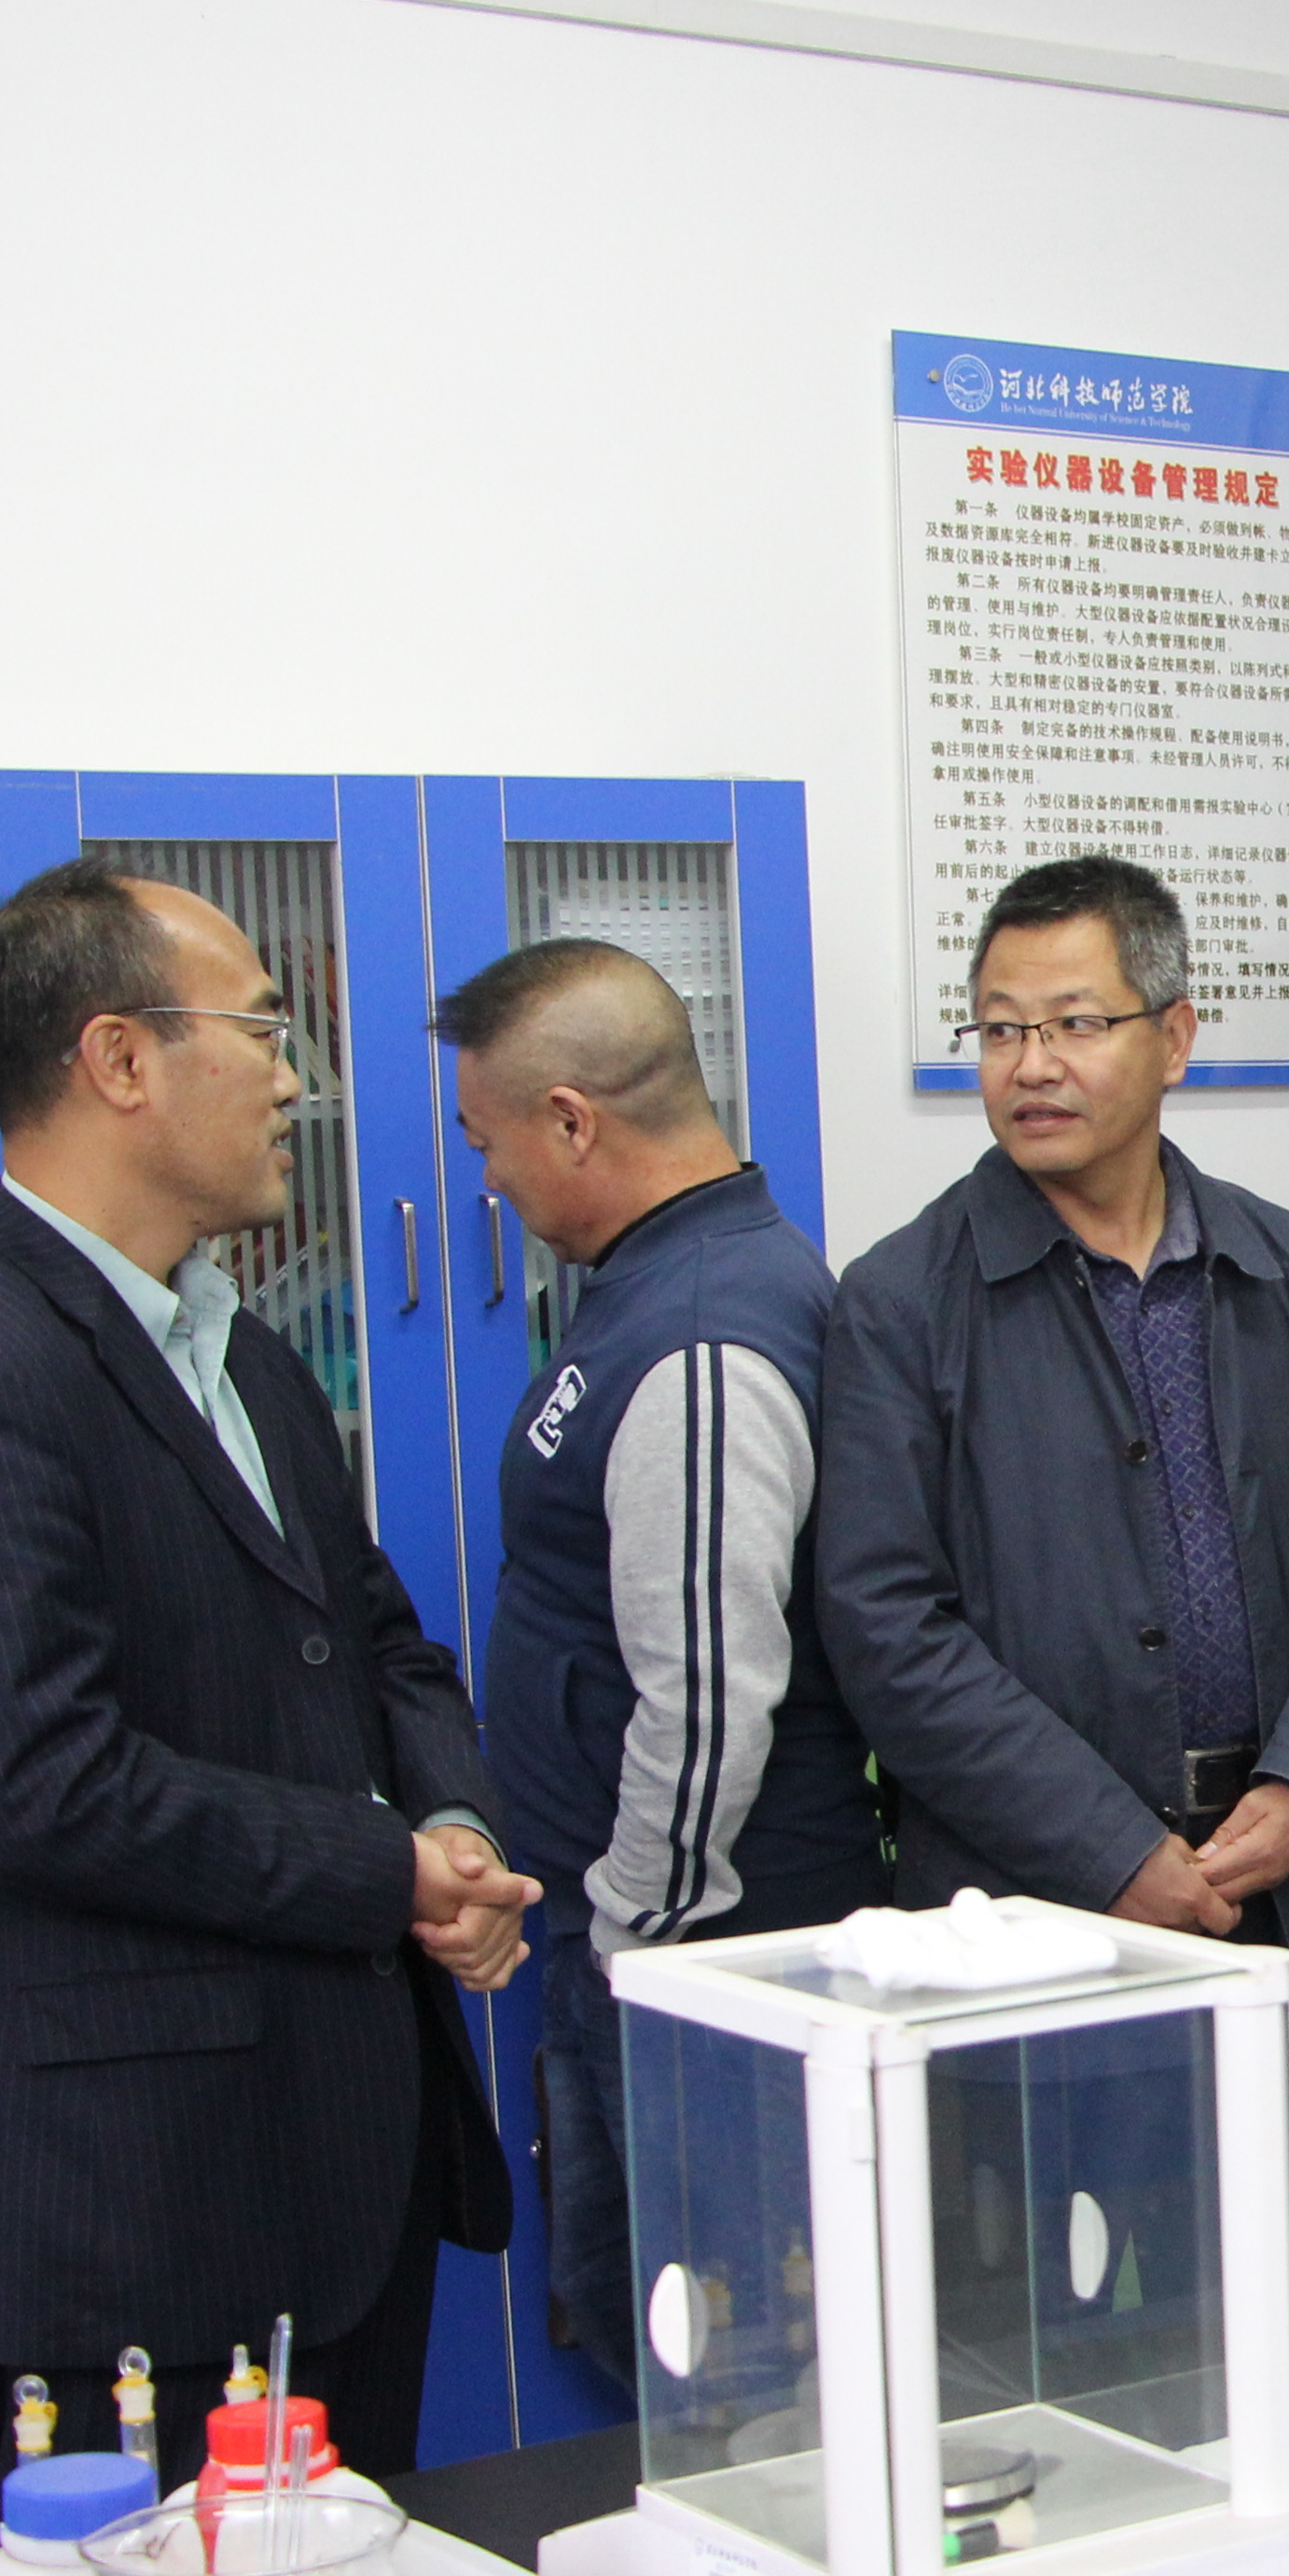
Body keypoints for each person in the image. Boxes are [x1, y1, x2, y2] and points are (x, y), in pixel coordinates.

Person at [0, 853, 534, 2483]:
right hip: (136, 2226)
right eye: (265, 1032)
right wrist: (385, 1872)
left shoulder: (242, 1350)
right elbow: (39, 1783)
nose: (296, 1079)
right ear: (121, 1060)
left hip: (338, 2180)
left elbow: (378, 1639)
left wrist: (456, 1830)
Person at [819, 856, 1289, 2259]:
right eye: (1000, 1028)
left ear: (1175, 1036)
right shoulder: (902, 1300)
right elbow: (886, 1627)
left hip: (1272, 1895)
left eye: (1076, 1023)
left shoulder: (1288, 1269)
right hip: (1024, 1931)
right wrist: (1114, 1849)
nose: (1031, 1064)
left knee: (1279, 2320)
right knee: (1047, 2348)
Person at [436, 940, 880, 2392]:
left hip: (701, 1971)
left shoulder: (701, 1335)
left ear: (571, 1121)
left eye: (488, 1141)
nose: (490, 1180)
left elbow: (708, 1695)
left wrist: (633, 1937)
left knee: (735, 2393)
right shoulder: (662, 1286)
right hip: (661, 1946)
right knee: (673, 2364)